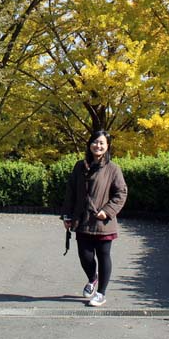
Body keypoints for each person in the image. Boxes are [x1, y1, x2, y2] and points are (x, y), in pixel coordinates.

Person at [61, 129, 128, 307]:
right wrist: (67, 216)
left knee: (103, 255)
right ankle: (93, 279)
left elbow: (121, 193)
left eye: (102, 143)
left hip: (103, 222)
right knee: (85, 256)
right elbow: (71, 192)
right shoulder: (79, 166)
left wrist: (107, 211)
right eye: (95, 142)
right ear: (89, 144)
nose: (97, 146)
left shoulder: (113, 169)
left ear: (107, 147)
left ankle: (101, 293)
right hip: (82, 220)